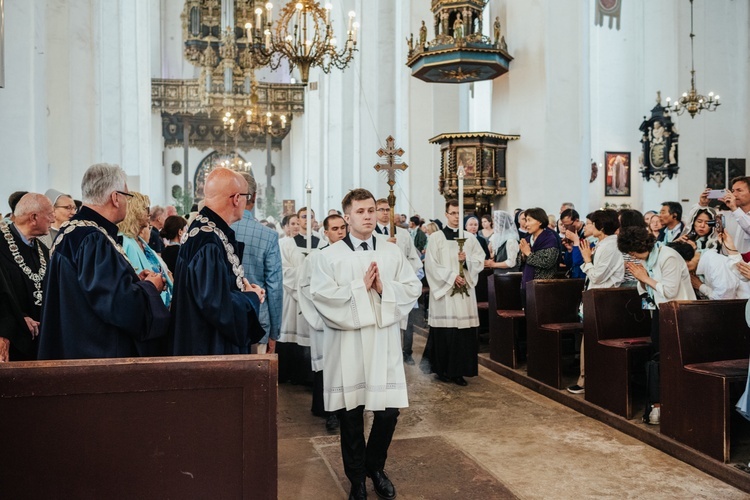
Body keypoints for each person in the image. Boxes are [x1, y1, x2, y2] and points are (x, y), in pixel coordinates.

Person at [309, 188, 421, 500]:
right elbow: (321, 296)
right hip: (347, 345)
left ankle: (375, 466)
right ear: (347, 217)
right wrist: (360, 288)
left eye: (372, 210)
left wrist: (387, 288)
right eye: (360, 211)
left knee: (388, 413)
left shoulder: (390, 251)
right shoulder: (328, 257)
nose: (368, 216)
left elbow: (413, 286)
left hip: (382, 341)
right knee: (351, 414)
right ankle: (356, 477)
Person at [38, 163, 170, 359]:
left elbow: (95, 289)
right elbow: (117, 304)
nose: (127, 202)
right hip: (96, 355)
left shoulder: (72, 231)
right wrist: (151, 287)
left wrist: (134, 281)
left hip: (72, 345)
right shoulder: (93, 239)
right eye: (127, 196)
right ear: (115, 198)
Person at [169, 167, 265, 355]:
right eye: (247, 196)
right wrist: (251, 297)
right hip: (211, 349)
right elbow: (216, 305)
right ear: (237, 198)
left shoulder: (204, 230)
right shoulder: (208, 242)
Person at [617, 226, 695, 424]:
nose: (632, 257)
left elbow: (669, 290)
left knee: (668, 358)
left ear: (637, 248)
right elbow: (644, 288)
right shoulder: (649, 258)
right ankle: (659, 404)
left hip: (680, 313)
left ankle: (669, 405)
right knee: (658, 355)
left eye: (632, 253)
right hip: (661, 312)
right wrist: (641, 280)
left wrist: (644, 278)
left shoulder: (667, 256)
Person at [423, 199, 485, 386]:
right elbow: (431, 265)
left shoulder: (470, 238)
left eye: (460, 213)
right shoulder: (436, 238)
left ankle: (459, 371)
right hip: (445, 292)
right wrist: (451, 277)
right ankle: (442, 370)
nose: (457, 217)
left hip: (464, 291)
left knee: (462, 334)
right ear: (446, 214)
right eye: (453, 213)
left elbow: (480, 260)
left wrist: (466, 263)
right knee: (446, 332)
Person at [298, 213, 348, 432]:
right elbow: (305, 288)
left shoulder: (353, 255)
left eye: (342, 228)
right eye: (335, 229)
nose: (340, 232)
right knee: (328, 367)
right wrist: (324, 312)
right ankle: (329, 411)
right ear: (325, 233)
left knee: (347, 365)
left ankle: (348, 409)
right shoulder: (315, 257)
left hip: (347, 321)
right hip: (325, 321)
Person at [566, 210, 624, 395]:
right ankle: (586, 378)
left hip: (603, 297)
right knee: (588, 337)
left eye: (590, 223)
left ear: (601, 226)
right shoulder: (602, 243)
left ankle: (587, 380)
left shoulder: (610, 246)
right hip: (597, 296)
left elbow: (598, 276)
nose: (586, 226)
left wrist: (587, 260)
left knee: (592, 338)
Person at [231, 172, 282, 356]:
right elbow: (274, 288)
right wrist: (274, 333)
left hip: (225, 321)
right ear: (254, 196)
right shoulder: (268, 236)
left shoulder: (217, 230)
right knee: (258, 381)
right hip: (259, 320)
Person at [0, 194, 54, 361]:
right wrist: (18, 317)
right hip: (12, 340)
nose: (53, 220)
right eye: (50, 214)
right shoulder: (1, 245)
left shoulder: (43, 250)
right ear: (34, 218)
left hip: (39, 342)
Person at [375, 199, 423, 365]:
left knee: (406, 320)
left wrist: (406, 275)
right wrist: (384, 246)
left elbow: (414, 259)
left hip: (400, 285)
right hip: (380, 284)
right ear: (374, 211)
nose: (385, 213)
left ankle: (407, 352)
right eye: (380, 209)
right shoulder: (372, 235)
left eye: (387, 209)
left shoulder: (403, 234)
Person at [278, 206, 322, 384]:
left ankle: (308, 377)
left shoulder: (322, 242)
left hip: (315, 297)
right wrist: (305, 276)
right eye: (303, 217)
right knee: (293, 334)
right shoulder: (287, 244)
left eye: (310, 217)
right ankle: (290, 375)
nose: (306, 220)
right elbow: (284, 270)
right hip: (292, 296)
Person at [118, 192, 173, 307]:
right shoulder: (126, 241)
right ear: (135, 211)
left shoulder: (138, 240)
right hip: (146, 302)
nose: (150, 214)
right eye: (146, 209)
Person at [669, 237, 741, 300]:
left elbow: (725, 299)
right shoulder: (696, 268)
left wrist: (700, 286)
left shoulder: (714, 262)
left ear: (685, 262)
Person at [519, 208, 560, 291]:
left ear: (540, 221)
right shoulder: (527, 239)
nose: (526, 224)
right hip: (527, 282)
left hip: (543, 286)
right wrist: (523, 255)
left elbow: (548, 262)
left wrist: (528, 254)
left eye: (529, 220)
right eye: (526, 221)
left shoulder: (549, 238)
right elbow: (519, 262)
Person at [485, 210, 520, 274]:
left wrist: (494, 264)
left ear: (501, 223)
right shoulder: (499, 238)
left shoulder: (511, 240)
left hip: (509, 276)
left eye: (495, 221)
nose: (493, 224)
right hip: (499, 274)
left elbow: (511, 262)